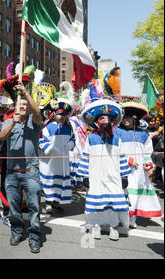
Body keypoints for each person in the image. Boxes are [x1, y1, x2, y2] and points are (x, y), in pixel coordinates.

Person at [78, 99, 131, 241]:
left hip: (113, 175)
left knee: (113, 202)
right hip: (96, 176)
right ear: (97, 121)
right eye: (101, 118)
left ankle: (113, 226)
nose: (105, 120)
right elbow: (85, 157)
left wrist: (124, 176)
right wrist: (85, 175)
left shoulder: (117, 138)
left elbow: (122, 157)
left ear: (112, 121)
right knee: (96, 203)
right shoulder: (91, 138)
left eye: (107, 118)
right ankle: (96, 226)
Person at [0, 83, 43, 254]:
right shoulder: (9, 121)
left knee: (34, 207)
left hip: (31, 172)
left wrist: (25, 92)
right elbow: (1, 137)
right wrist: (12, 123)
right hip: (12, 173)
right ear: (15, 108)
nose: (23, 107)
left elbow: (38, 112)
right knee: (13, 207)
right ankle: (17, 232)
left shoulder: (34, 121)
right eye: (20, 105)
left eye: (26, 105)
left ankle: (34, 237)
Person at [118, 102, 162, 228]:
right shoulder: (117, 132)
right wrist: (127, 160)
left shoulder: (144, 134)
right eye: (124, 117)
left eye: (129, 117)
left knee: (136, 195)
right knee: (126, 193)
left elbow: (149, 152)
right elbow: (114, 150)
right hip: (124, 169)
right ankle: (123, 218)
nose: (126, 119)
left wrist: (149, 163)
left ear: (135, 119)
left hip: (140, 172)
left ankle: (131, 219)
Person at [39, 98, 75, 214]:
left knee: (61, 182)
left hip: (63, 161)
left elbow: (73, 139)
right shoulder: (48, 127)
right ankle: (48, 203)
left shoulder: (68, 128)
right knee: (50, 181)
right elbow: (41, 141)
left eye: (64, 115)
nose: (62, 117)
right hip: (50, 161)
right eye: (59, 114)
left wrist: (70, 144)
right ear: (54, 114)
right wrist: (51, 148)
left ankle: (57, 203)